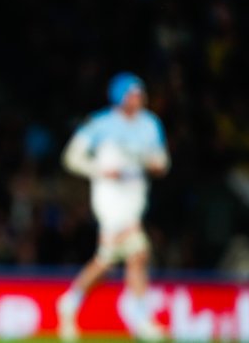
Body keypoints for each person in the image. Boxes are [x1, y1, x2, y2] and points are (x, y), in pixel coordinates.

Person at [56, 72, 170, 342]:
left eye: (140, 94)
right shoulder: (100, 124)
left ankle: (70, 301)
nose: (139, 99)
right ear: (120, 97)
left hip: (135, 198)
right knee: (138, 250)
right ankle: (140, 318)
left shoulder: (150, 125)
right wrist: (99, 169)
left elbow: (163, 162)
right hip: (110, 199)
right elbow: (71, 158)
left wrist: (156, 165)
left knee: (112, 261)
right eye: (133, 94)